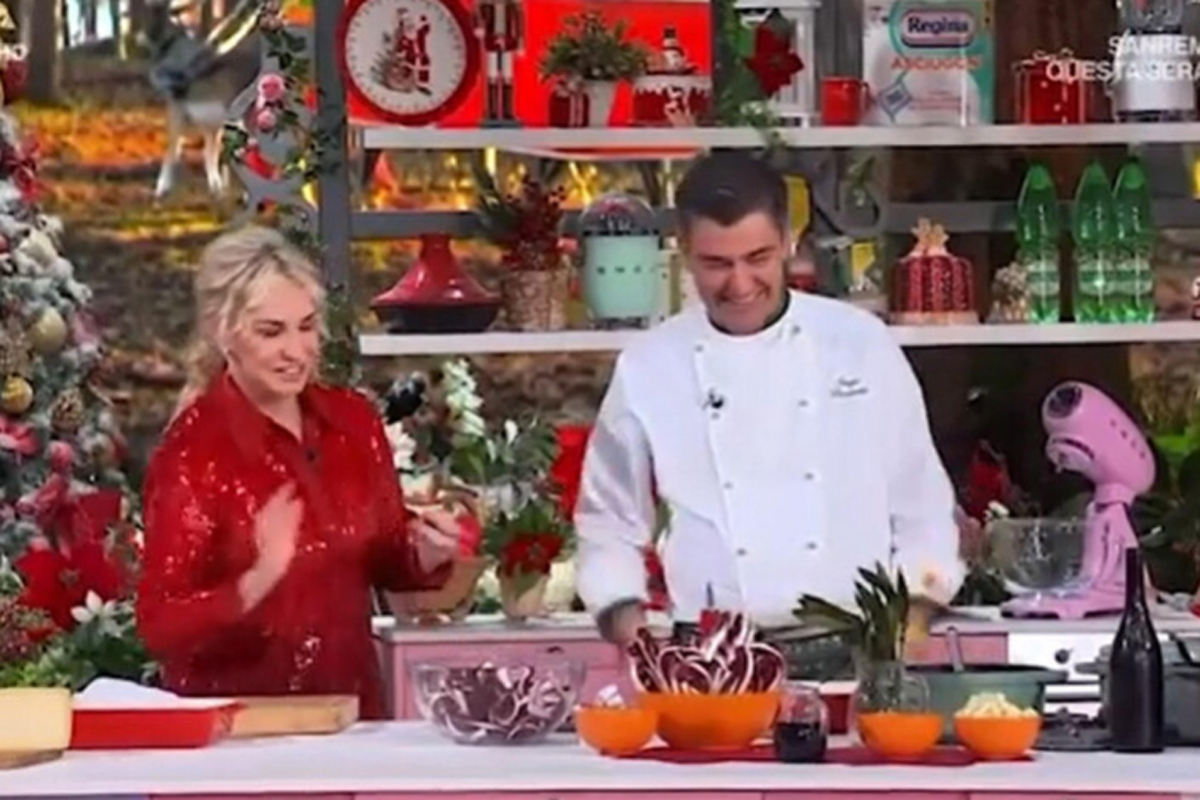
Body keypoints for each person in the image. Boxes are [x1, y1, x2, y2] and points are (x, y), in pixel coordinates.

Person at [573, 153, 966, 645]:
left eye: (757, 258)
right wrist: (629, 626)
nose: (739, 284)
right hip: (710, 649)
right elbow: (608, 523)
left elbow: (921, 503)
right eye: (716, 264)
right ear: (684, 251)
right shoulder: (650, 365)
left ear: (787, 240)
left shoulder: (860, 343)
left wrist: (913, 620)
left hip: (858, 640)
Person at [136, 225, 461, 718]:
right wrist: (258, 579)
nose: (296, 351)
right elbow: (160, 625)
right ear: (224, 333)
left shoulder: (353, 423)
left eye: (306, 327)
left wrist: (427, 553)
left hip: (351, 719)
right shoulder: (193, 454)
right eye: (271, 332)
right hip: (243, 732)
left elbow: (387, 560)